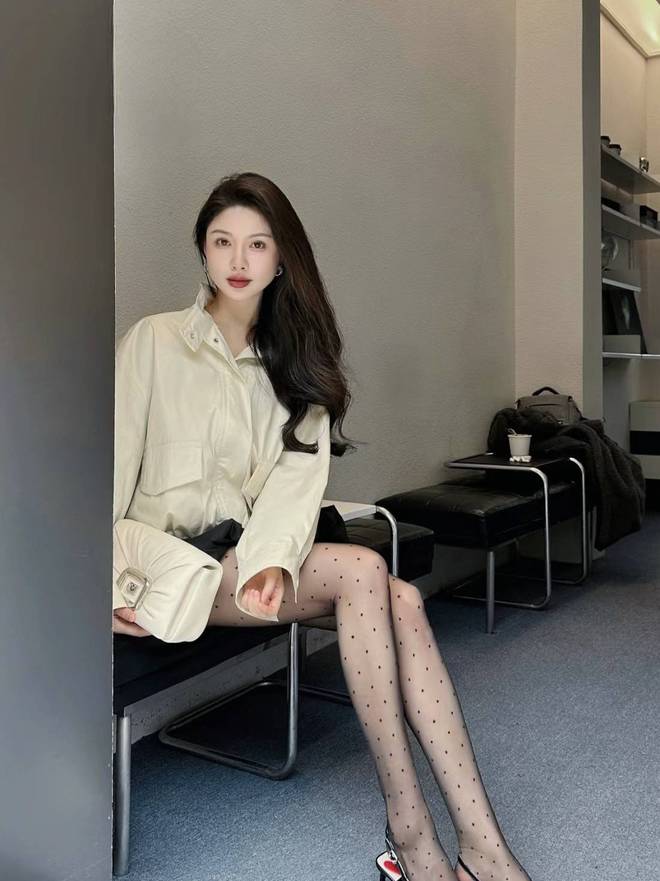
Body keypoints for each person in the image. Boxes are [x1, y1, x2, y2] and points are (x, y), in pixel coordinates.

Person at [112, 171, 533, 881]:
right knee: (366, 569)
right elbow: (106, 476)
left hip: (245, 561)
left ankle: (481, 848)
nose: (238, 260)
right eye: (222, 241)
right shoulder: (152, 343)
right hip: (165, 566)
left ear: (282, 258)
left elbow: (292, 489)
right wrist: (104, 585)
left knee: (401, 598)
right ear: (203, 250)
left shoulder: (297, 367)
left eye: (257, 244)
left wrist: (274, 562)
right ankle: (413, 836)